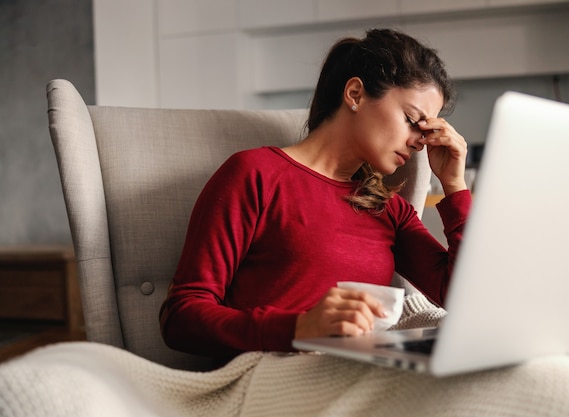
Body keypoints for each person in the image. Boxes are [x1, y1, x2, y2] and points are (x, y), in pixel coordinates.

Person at [159, 28, 472, 365]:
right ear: (355, 93)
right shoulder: (255, 174)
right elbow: (180, 317)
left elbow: (462, 296)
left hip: (358, 376)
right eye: (412, 120)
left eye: (426, 130)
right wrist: (299, 328)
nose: (419, 141)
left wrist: (454, 185)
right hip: (270, 380)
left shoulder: (388, 208)